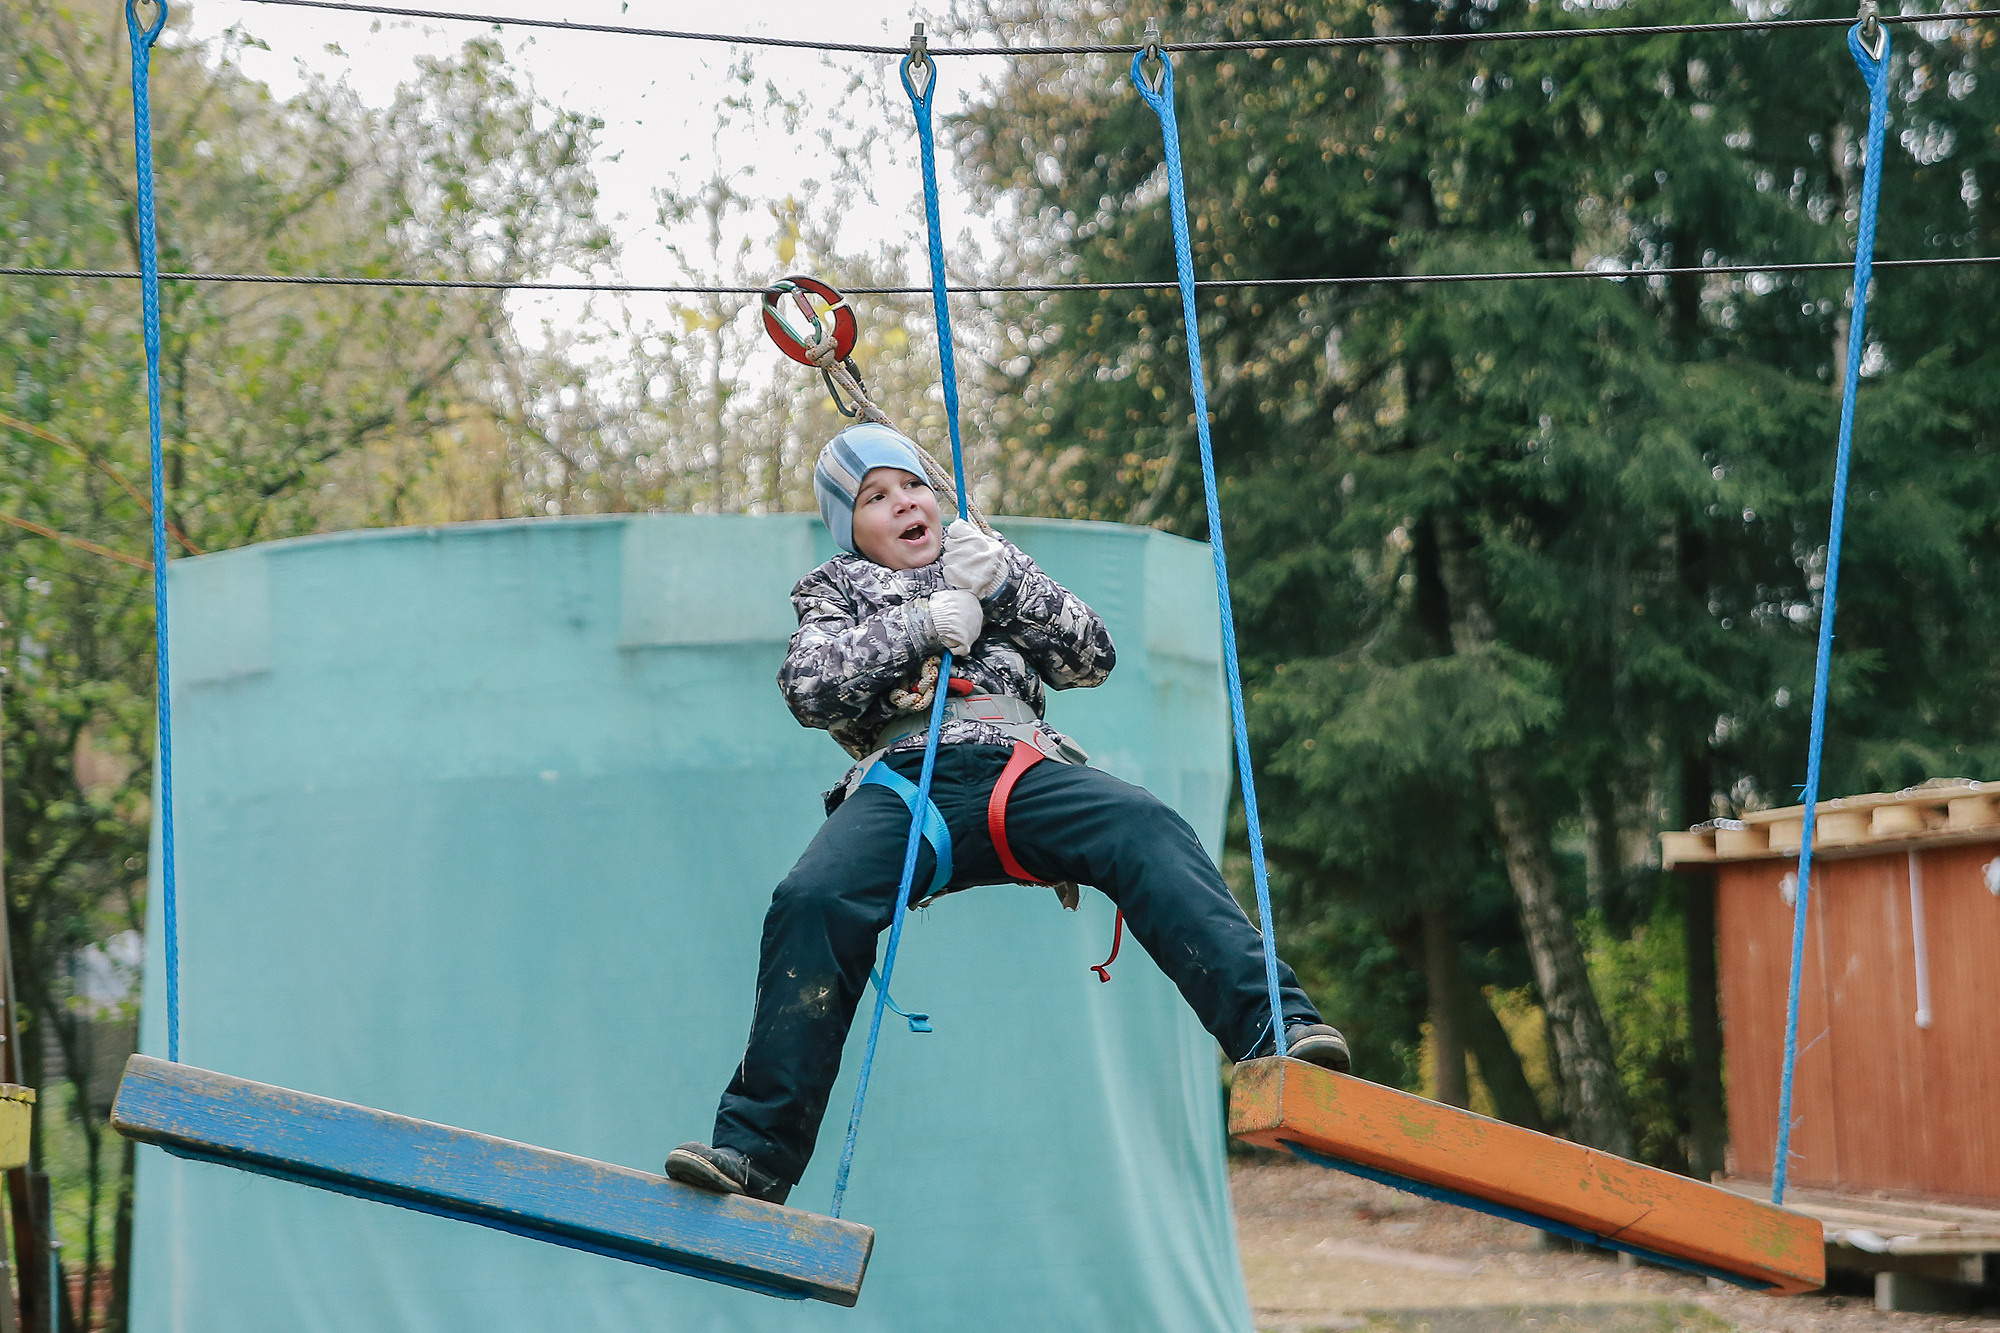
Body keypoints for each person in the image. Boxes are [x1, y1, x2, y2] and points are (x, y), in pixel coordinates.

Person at [665, 422, 1348, 1206]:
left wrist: (1005, 587)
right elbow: (808, 687)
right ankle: (756, 1152)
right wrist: (919, 624)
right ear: (849, 531)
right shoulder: (836, 589)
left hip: (1016, 761)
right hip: (905, 779)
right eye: (874, 498)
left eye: (913, 484)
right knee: (811, 901)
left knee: (1145, 828)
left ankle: (1273, 1030)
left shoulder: (983, 554)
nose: (903, 503)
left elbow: (1091, 656)